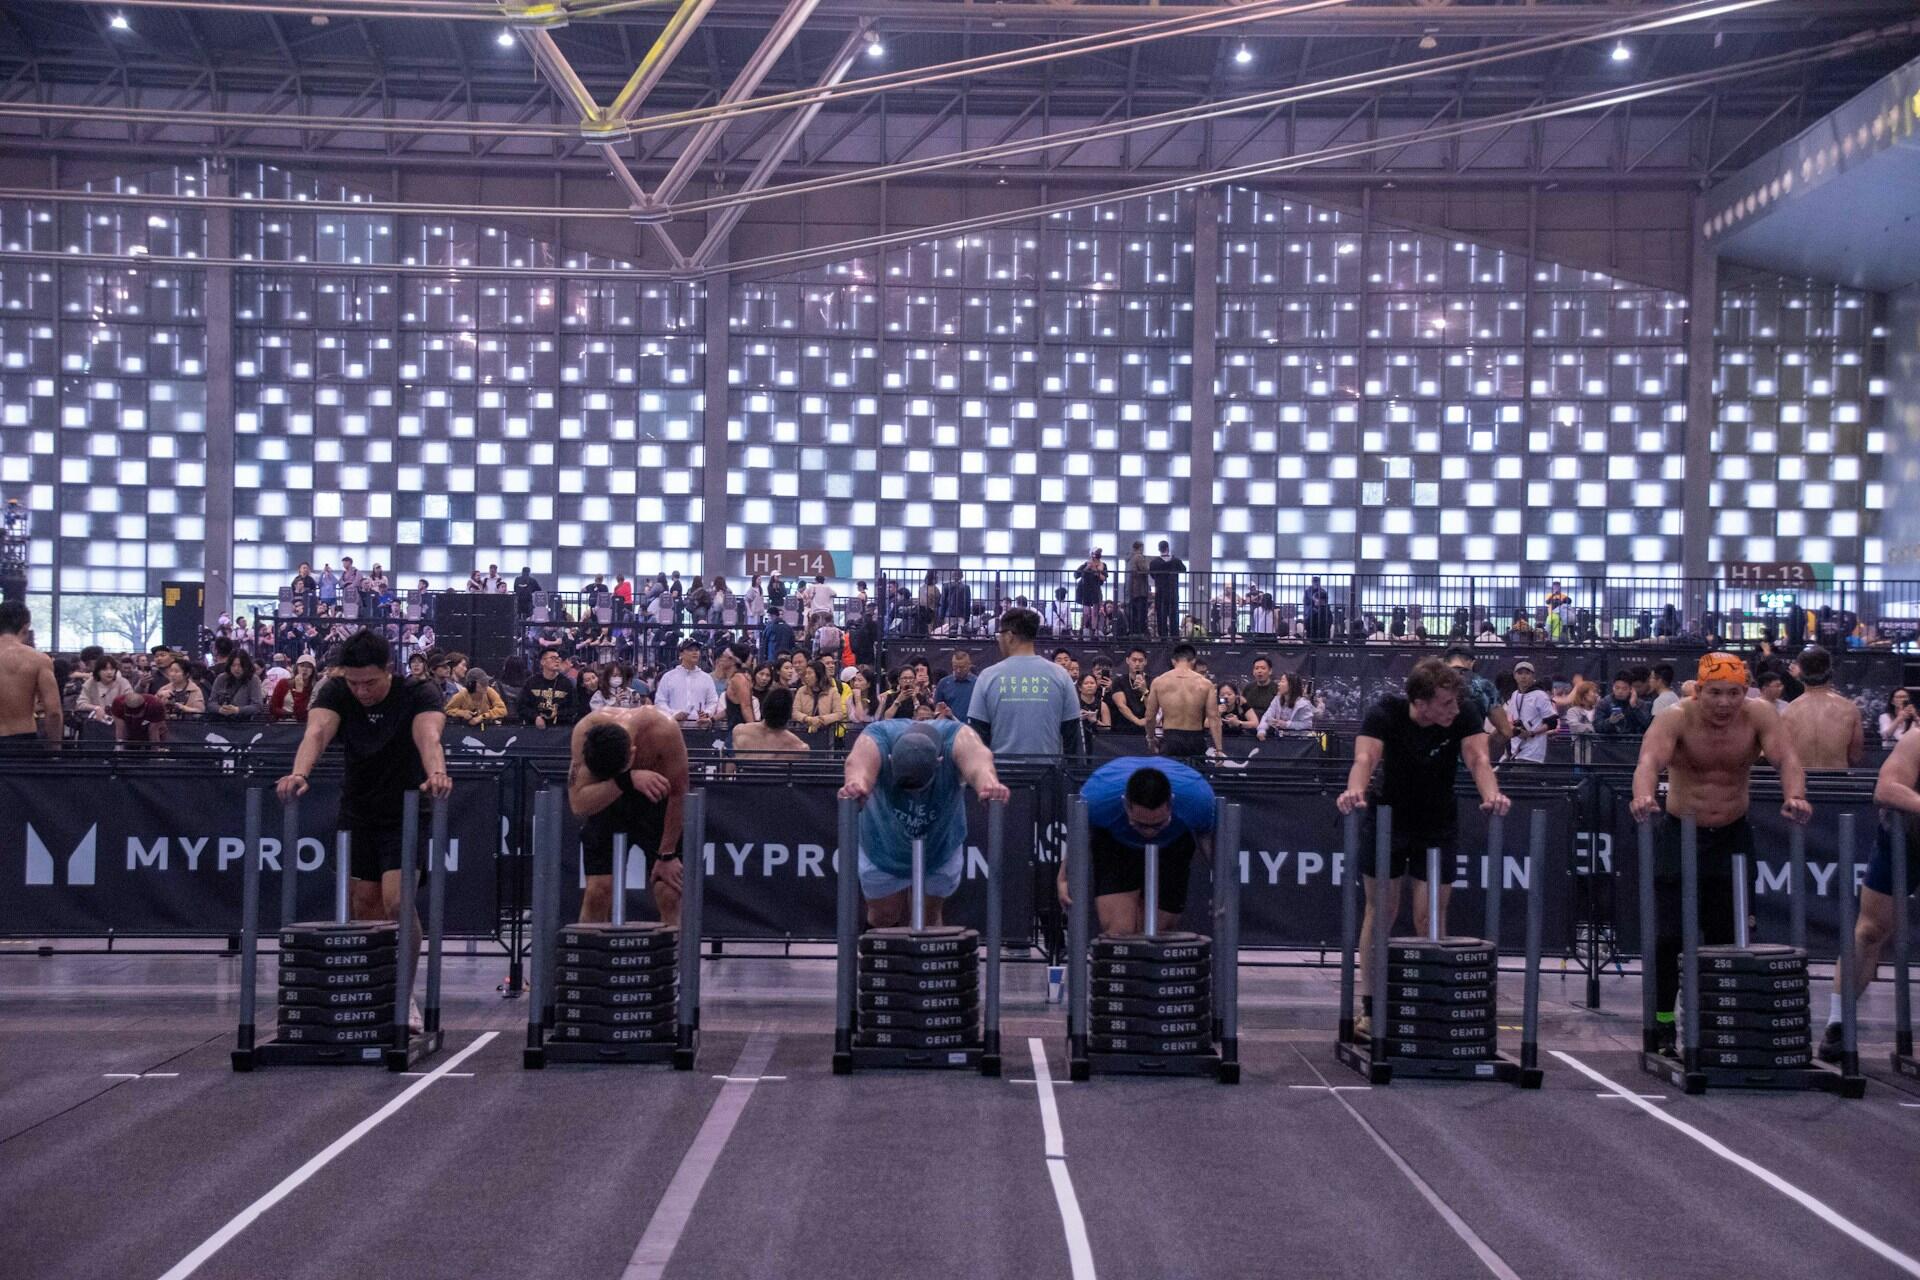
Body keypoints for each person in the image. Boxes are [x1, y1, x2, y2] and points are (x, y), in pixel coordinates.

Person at [1630, 653, 1810, 1056]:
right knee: (1669, 938)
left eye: (1734, 693)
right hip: (1681, 834)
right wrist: (1643, 795)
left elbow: (1788, 759)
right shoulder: (1676, 717)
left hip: (1731, 837)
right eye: (1715, 694)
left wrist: (1795, 796)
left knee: (1729, 940)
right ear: (1698, 692)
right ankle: (1661, 1023)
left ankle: (1719, 1025)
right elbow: (1649, 761)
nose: (1725, 703)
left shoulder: (1760, 715)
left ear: (1745, 692)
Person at [277, 630, 450, 1030]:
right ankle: (373, 991)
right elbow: (317, 733)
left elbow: (429, 737)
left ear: (389, 670)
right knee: (364, 907)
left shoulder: (418, 693)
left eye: (369, 682)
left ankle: (403, 996)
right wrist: (300, 772)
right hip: (358, 809)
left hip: (406, 809)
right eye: (353, 682)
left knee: (397, 902)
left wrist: (437, 773)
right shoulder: (336, 692)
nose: (361, 691)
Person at [1337, 659, 1510, 1038]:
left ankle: (1432, 1007)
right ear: (1420, 701)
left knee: (1429, 916)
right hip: (1388, 819)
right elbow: (1365, 758)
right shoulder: (1386, 713)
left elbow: (1479, 758)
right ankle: (1371, 1008)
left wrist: (1492, 794)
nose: (1454, 709)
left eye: (1455, 703)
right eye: (1445, 703)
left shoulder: (1462, 714)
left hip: (1437, 820)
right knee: (1382, 910)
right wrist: (1355, 789)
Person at [838, 719, 1008, 927]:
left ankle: (925, 958)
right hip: (883, 845)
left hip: (939, 846)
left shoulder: (958, 737)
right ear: (890, 759)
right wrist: (857, 785)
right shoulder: (876, 737)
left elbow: (979, 762)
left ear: (939, 761)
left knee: (928, 917)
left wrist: (988, 784)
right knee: (883, 916)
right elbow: (857, 765)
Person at [1820, 729, 1920, 1061]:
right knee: (1871, 931)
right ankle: (1838, 1023)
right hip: (1904, 838)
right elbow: (1886, 789)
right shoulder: (1917, 739)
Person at [568, 706, 691, 926]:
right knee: (598, 892)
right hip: (609, 801)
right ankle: (592, 959)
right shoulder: (585, 730)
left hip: (656, 801)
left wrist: (667, 854)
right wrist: (626, 780)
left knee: (669, 892)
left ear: (633, 753)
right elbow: (579, 804)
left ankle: (673, 959)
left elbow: (679, 792)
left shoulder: (664, 729)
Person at [968, 606, 1080, 758]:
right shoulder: (1060, 676)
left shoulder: (988, 677)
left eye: (999, 634)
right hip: (1048, 774)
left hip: (999, 776)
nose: (999, 639)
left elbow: (978, 735)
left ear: (1009, 636)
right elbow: (1072, 735)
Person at [1778, 645, 1862, 771]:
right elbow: (1855, 756)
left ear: (1800, 673)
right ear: (1831, 672)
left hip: (1799, 783)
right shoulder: (1849, 710)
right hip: (1838, 785)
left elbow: (1781, 756)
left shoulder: (1787, 712)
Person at [0, 602, 61, 748]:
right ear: (26, 627)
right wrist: (56, 748)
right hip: (22, 742)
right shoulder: (38, 660)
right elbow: (53, 712)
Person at [1145, 642, 1221, 759]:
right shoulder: (1206, 684)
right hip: (1196, 739)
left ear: (1173, 661)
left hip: (1171, 739)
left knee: (1170, 776)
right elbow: (1214, 717)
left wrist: (1150, 738)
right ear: (1193, 661)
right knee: (1194, 776)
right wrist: (1219, 749)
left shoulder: (1159, 682)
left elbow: (1150, 717)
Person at [654, 639, 721, 726]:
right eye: (690, 650)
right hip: (673, 725)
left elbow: (712, 701)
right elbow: (660, 701)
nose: (695, 653)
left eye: (696, 650)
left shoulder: (706, 678)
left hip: (700, 725)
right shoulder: (669, 677)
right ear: (681, 654)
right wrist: (673, 714)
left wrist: (707, 713)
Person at [1504, 660, 1557, 765]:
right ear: (1514, 676)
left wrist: (1531, 733)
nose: (1523, 677)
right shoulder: (1514, 695)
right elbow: (1511, 719)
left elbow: (1552, 722)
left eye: (1527, 673)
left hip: (1533, 752)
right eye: (1520, 673)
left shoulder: (1540, 695)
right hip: (1515, 750)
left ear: (1533, 676)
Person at [732, 686, 810, 757]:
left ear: (765, 706)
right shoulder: (800, 748)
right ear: (788, 713)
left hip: (745, 772)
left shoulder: (739, 731)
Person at [515, 648, 576, 728]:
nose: (557, 661)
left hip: (559, 728)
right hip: (533, 728)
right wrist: (535, 717)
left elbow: (573, 707)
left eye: (558, 658)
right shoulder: (532, 682)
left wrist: (557, 714)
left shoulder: (566, 683)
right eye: (553, 658)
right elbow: (521, 706)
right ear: (542, 662)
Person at [1255, 672, 1315, 738]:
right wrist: (1261, 730)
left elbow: (1307, 724)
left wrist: (1286, 724)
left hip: (1298, 740)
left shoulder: (1303, 704)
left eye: (1282, 681)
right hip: (1280, 738)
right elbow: (1267, 716)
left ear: (1291, 685)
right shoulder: (1277, 699)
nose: (1279, 684)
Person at [210, 651, 265, 721]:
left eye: (240, 665)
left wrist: (238, 710)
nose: (236, 669)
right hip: (221, 722)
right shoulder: (221, 678)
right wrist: (220, 709)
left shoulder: (253, 679)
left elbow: (257, 706)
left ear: (246, 666)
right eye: (233, 665)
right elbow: (211, 703)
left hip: (245, 724)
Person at [75, 656, 133, 722]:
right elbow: (80, 704)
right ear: (98, 671)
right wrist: (96, 708)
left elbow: (131, 701)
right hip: (97, 722)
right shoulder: (90, 683)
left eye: (112, 669)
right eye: (105, 669)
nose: (109, 672)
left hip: (119, 721)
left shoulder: (123, 682)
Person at [1150, 541, 1185, 639]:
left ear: (1159, 549)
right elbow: (1183, 569)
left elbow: (1152, 575)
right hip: (1173, 591)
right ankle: (1175, 636)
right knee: (1174, 614)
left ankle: (1163, 636)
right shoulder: (1175, 561)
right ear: (1168, 548)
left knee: (1161, 615)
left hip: (1160, 592)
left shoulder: (1154, 562)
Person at [269, 657, 318, 723]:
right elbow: (272, 707)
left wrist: (299, 692)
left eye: (309, 667)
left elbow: (302, 714)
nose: (305, 669)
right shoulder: (284, 683)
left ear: (313, 670)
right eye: (302, 666)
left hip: (304, 725)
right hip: (283, 724)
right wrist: (286, 714)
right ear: (297, 668)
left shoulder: (315, 688)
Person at [933, 649, 976, 722]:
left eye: (962, 667)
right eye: (955, 667)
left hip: (972, 727)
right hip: (950, 727)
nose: (958, 670)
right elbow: (937, 709)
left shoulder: (977, 683)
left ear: (969, 665)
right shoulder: (943, 683)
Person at [1241, 656, 1279, 724]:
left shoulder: (1277, 689)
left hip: (1269, 726)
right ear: (1253, 672)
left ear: (1270, 671)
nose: (1259, 671)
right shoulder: (1248, 688)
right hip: (1249, 725)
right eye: (1256, 668)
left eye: (1263, 668)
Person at [1126, 541, 1152, 636]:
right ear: (1140, 547)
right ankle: (1141, 633)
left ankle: (1134, 632)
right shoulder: (1139, 557)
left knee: (1134, 613)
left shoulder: (1129, 558)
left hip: (1131, 590)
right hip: (1140, 589)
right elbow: (1145, 569)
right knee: (1141, 613)